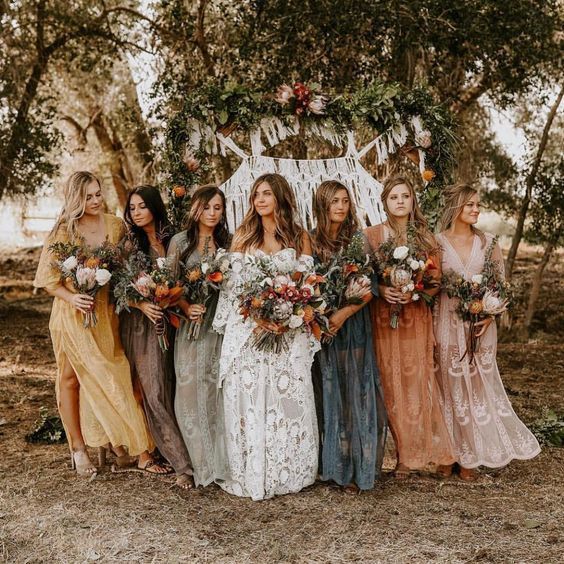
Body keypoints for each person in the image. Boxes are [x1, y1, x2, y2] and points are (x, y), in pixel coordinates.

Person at [33, 171, 153, 476]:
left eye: (98, 194)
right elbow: (48, 280)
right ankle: (78, 448)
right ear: (76, 199)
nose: (96, 200)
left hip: (105, 315)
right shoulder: (64, 230)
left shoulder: (114, 225)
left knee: (111, 374)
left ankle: (118, 443)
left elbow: (126, 268)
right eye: (88, 196)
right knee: (72, 379)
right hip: (72, 314)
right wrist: (72, 298)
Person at [212, 173, 319, 500]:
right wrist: (256, 315)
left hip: (287, 331)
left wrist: (286, 316)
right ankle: (250, 468)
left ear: (281, 198)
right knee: (250, 398)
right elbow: (232, 288)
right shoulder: (242, 236)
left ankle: (287, 469)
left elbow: (308, 283)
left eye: (267, 194)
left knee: (284, 397)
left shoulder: (299, 237)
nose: (260, 200)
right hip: (248, 330)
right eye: (256, 194)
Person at [434, 183, 540, 480]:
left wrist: (491, 314)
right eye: (470, 205)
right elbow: (430, 284)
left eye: (478, 205)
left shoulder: (489, 242)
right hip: (444, 321)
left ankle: (470, 454)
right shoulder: (437, 242)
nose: (476, 209)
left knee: (476, 388)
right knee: (446, 385)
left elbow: (501, 286)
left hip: (479, 326)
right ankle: (448, 453)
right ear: (456, 207)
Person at [365, 175, 455, 478]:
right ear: (385, 202)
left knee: (417, 381)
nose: (400, 201)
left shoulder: (426, 238)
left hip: (415, 317)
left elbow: (435, 283)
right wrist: (382, 288)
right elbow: (363, 277)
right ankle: (402, 454)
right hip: (384, 317)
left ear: (412, 200)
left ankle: (425, 450)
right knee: (390, 382)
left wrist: (415, 293)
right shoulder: (372, 236)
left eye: (405, 196)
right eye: (394, 197)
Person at [311, 180, 386, 493]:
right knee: (326, 389)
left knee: (354, 388)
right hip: (320, 326)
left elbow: (371, 287)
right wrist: (322, 315)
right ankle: (330, 465)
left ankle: (357, 466)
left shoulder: (358, 239)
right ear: (322, 206)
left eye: (344, 201)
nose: (341, 207)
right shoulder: (310, 240)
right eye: (334, 202)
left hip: (352, 323)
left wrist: (342, 314)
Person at [120, 185, 193, 487]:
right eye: (132, 208)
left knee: (176, 386)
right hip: (141, 324)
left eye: (142, 207)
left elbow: (186, 277)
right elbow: (118, 289)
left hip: (174, 322)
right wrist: (142, 303)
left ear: (154, 207)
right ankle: (182, 465)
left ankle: (191, 451)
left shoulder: (173, 238)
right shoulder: (129, 245)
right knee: (154, 390)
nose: (136, 213)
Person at [166, 184, 229, 487]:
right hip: (191, 327)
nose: (213, 213)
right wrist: (186, 305)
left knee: (214, 390)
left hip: (218, 326)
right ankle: (194, 463)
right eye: (207, 207)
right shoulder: (181, 242)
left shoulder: (227, 243)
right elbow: (169, 284)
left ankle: (217, 464)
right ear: (196, 209)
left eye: (218, 208)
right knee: (189, 391)